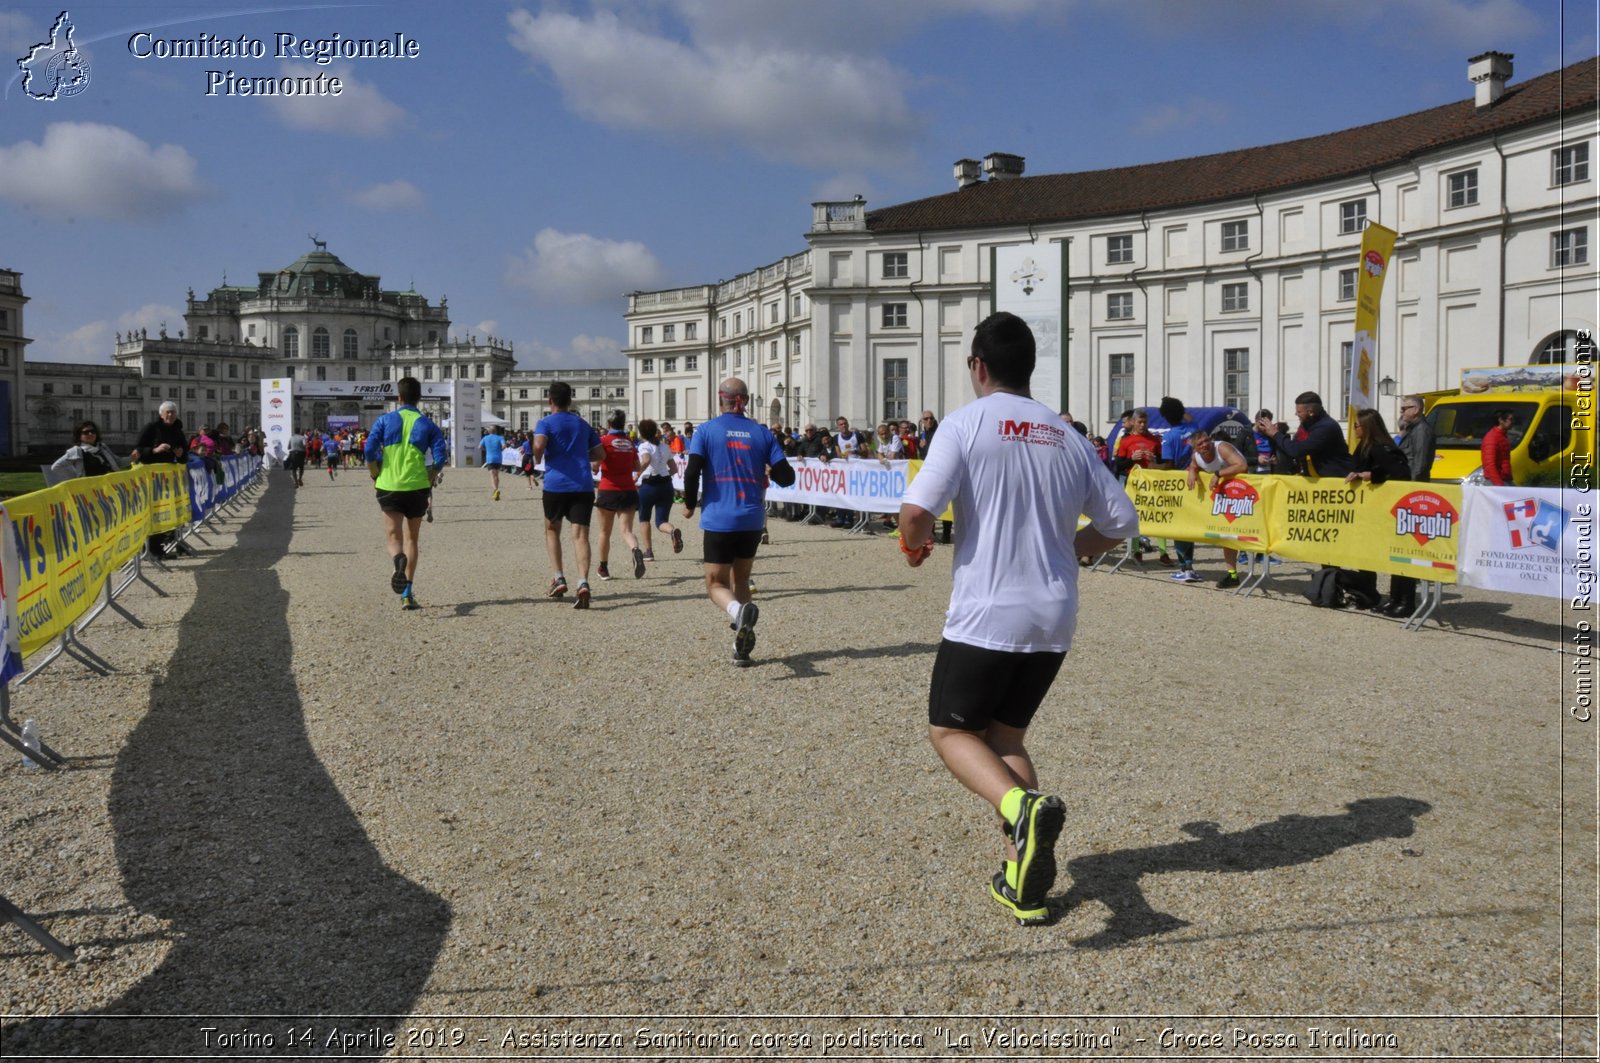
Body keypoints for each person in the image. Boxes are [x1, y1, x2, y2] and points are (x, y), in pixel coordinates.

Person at [898, 312, 1139, 925]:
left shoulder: (966, 423)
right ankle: (1021, 876)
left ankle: (1022, 811)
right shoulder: (1067, 435)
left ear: (978, 365)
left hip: (988, 611)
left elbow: (916, 512)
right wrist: (1074, 552)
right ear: (1030, 368)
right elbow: (1122, 522)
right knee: (1006, 739)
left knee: (951, 734)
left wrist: (914, 544)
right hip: (1053, 614)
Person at [682, 377, 795, 666]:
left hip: (720, 517)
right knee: (742, 578)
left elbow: (692, 471)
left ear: (721, 400)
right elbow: (787, 477)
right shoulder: (761, 432)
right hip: (752, 517)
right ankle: (741, 647)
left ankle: (737, 613)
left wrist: (689, 504)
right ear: (744, 399)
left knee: (715, 584)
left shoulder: (706, 430)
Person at [363, 377, 447, 610]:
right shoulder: (428, 425)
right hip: (417, 486)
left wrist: (374, 473)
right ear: (419, 398)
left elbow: (369, 450)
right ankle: (407, 593)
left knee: (393, 538)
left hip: (389, 484)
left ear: (398, 398)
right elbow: (440, 458)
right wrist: (431, 478)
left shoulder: (384, 420)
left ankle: (397, 559)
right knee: (413, 538)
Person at [533, 381, 604, 608]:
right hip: (582, 485)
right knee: (581, 536)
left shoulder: (545, 423)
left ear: (550, 400)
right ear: (570, 401)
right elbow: (600, 453)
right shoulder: (582, 424)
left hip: (556, 486)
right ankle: (583, 582)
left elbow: (539, 444)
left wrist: (537, 457)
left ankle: (559, 576)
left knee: (552, 530)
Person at [1343, 408, 1411, 611]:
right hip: (1372, 508)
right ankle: (1381, 597)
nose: (1354, 428)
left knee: (1399, 554)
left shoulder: (1381, 446)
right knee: (1368, 553)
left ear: (1367, 427)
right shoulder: (1364, 446)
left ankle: (1404, 601)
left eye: (1356, 425)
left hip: (1389, 507)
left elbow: (1399, 472)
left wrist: (1371, 475)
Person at [1386, 394, 1436, 616]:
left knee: (1408, 550)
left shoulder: (1422, 431)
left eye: (1405, 408)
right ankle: (1396, 596)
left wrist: (1413, 494)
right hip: (1405, 492)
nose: (1401, 411)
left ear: (1416, 410)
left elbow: (1420, 464)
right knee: (1398, 550)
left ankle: (1406, 601)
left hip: (1413, 495)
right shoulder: (1412, 430)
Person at [1185, 428, 1251, 588]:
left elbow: (1242, 465)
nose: (1205, 445)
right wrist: (1192, 471)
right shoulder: (1196, 457)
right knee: (1226, 536)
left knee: (1248, 535)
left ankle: (1262, 563)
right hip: (1225, 498)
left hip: (1246, 492)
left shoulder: (1222, 448)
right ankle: (1232, 575)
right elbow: (1194, 465)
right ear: (1195, 448)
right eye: (1200, 444)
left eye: (1207, 440)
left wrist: (1218, 474)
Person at [593, 410, 646, 581]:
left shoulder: (604, 441)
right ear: (623, 424)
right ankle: (635, 549)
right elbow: (637, 467)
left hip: (608, 489)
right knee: (626, 530)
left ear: (608, 424)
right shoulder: (630, 443)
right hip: (628, 490)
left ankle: (603, 568)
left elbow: (595, 465)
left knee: (604, 533)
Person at [1154, 397, 1201, 581]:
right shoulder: (1193, 429)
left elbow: (1167, 465)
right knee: (1189, 527)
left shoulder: (1169, 436)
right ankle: (1189, 565)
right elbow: (1189, 418)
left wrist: (1151, 466)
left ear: (1165, 416)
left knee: (1179, 528)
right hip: (1195, 482)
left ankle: (1185, 567)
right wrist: (1179, 409)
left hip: (1178, 484)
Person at [1256, 391, 1354, 479]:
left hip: (1337, 481)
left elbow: (1297, 450)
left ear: (1311, 412)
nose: (1296, 414)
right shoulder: (1307, 424)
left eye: (1299, 412)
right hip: (1317, 481)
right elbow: (1292, 446)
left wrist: (1275, 434)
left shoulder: (1326, 427)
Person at [634, 419, 683, 560]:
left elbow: (647, 459)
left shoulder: (644, 446)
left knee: (644, 519)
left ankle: (648, 552)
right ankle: (672, 531)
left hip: (648, 485)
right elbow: (673, 469)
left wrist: (638, 474)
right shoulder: (665, 447)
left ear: (642, 433)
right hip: (666, 485)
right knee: (661, 521)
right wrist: (665, 475)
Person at [51, 420, 122, 479]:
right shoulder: (76, 451)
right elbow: (56, 467)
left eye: (93, 431)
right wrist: (76, 479)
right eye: (86, 432)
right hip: (89, 490)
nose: (90, 434)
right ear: (79, 436)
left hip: (106, 489)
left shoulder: (102, 447)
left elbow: (117, 463)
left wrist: (131, 458)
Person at [1481, 408, 1515, 486]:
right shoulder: (1492, 438)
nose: (1512, 422)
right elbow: (1489, 464)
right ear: (1501, 420)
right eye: (1510, 419)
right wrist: (1499, 484)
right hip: (1496, 481)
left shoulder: (1502, 435)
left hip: (1504, 479)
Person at [480, 426, 507, 500]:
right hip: (498, 458)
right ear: (496, 431)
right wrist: (500, 450)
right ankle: (496, 490)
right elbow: (504, 446)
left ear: (489, 431)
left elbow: (479, 447)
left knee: (492, 476)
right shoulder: (500, 438)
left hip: (490, 458)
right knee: (496, 475)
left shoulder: (485, 438)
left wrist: (486, 449)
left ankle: (495, 490)